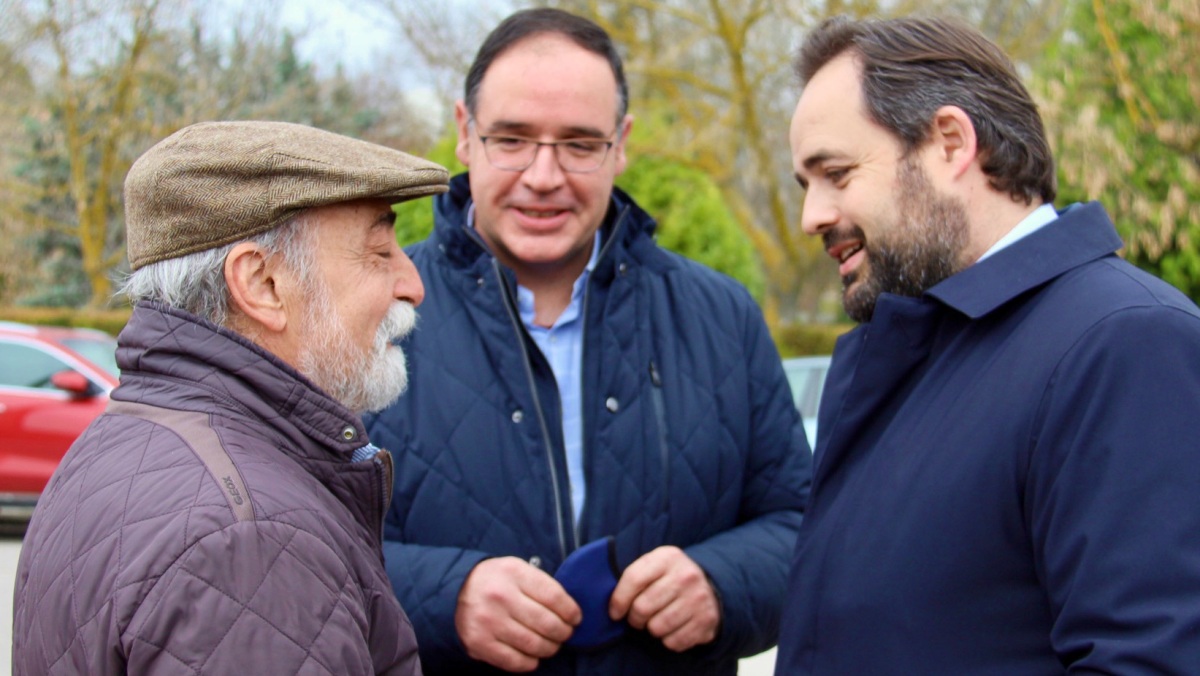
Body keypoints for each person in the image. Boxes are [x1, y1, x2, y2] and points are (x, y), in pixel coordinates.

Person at [363, 7, 812, 675]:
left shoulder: (722, 315)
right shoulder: (370, 316)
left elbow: (804, 529)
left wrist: (723, 582)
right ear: (464, 132)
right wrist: (440, 599)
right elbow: (293, 548)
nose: (544, 176)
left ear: (621, 142)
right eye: (511, 139)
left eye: (579, 144)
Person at [777, 15, 1200, 673]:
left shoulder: (1123, 344)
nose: (813, 217)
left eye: (835, 172)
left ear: (950, 143)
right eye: (807, 186)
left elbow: (1151, 657)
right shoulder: (891, 357)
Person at [12, 120, 450, 674]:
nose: (412, 283)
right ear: (262, 284)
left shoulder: (128, 440)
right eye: (379, 251)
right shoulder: (250, 539)